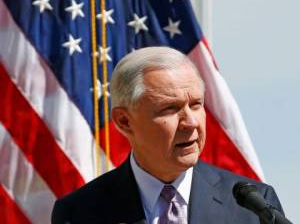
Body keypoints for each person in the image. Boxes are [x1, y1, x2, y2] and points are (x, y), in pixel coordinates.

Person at [51, 46, 284, 224]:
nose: (191, 122)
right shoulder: (78, 212)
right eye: (170, 109)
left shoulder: (253, 206)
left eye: (196, 104)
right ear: (124, 121)